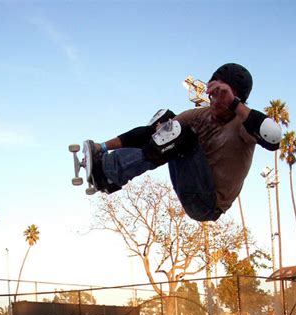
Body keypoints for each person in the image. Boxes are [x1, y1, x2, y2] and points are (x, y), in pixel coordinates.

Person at [83, 63, 282, 222]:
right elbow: (149, 134)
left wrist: (234, 104)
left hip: (208, 203)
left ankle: (108, 174)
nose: (216, 102)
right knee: (166, 124)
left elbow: (273, 139)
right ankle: (108, 173)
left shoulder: (242, 125)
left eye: (224, 98)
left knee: (181, 135)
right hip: (190, 185)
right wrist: (100, 147)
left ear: (237, 99)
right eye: (213, 96)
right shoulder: (199, 115)